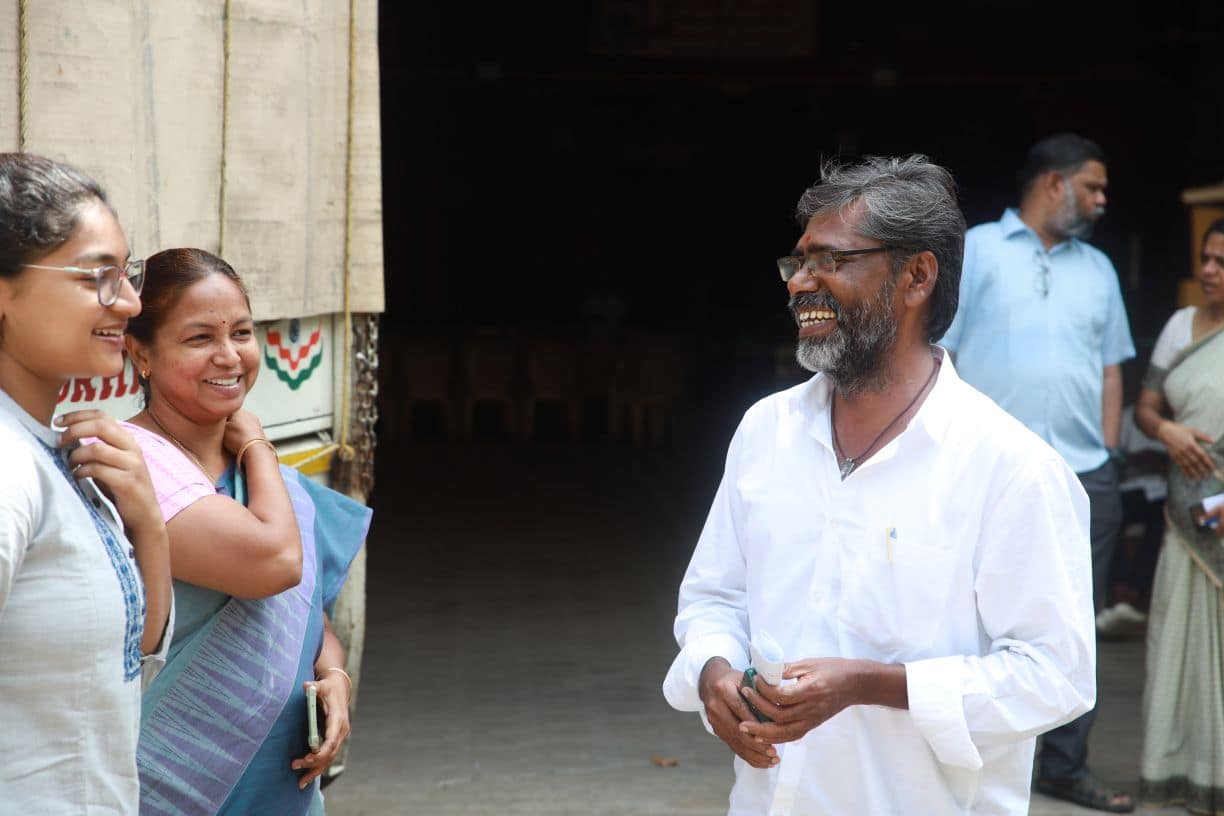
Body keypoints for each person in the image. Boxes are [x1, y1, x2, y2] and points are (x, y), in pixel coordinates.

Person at [662, 155, 1096, 814]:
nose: (800, 282)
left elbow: (1056, 675)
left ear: (917, 275)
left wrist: (872, 684)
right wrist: (713, 670)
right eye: (797, 262)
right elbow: (713, 598)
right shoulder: (766, 431)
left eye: (831, 261)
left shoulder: (1011, 468)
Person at [123, 248, 370, 815]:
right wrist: (257, 445)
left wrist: (333, 673)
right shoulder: (130, 466)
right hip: (166, 787)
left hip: (282, 790)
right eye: (200, 338)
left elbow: (309, 617)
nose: (229, 355)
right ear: (140, 353)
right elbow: (276, 564)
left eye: (241, 332)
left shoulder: (278, 488)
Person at [940, 133, 1136, 812]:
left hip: (1084, 474)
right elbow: (941, 354)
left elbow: (1111, 368)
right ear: (1054, 183)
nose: (1103, 199)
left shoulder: (1099, 269)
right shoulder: (978, 250)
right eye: (1093, 186)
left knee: (1074, 623)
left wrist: (1107, 453)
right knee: (972, 612)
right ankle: (970, 753)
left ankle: (1063, 765)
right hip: (985, 470)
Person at [0, 152, 172, 811]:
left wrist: (147, 525)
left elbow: (123, 671)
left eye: (126, 273)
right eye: (97, 276)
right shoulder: (8, 465)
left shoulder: (51, 446)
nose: (129, 301)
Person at [1134, 219, 1224, 813]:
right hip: (1189, 515)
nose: (1208, 270)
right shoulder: (1179, 326)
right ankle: (1182, 771)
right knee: (1179, 641)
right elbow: (1145, 408)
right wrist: (1166, 430)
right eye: (1206, 257)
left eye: (1221, 262)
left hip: (1218, 508)